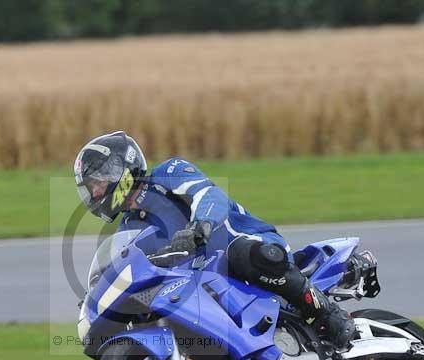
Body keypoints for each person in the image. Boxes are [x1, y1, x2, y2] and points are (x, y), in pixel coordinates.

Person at [73, 131, 355, 349]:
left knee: (245, 254)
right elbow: (134, 268)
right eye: (90, 189)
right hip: (204, 283)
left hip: (245, 247)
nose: (95, 193)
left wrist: (201, 226)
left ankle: (328, 315)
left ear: (120, 169)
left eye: (98, 183)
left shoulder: (167, 173)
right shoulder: (130, 227)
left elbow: (209, 195)